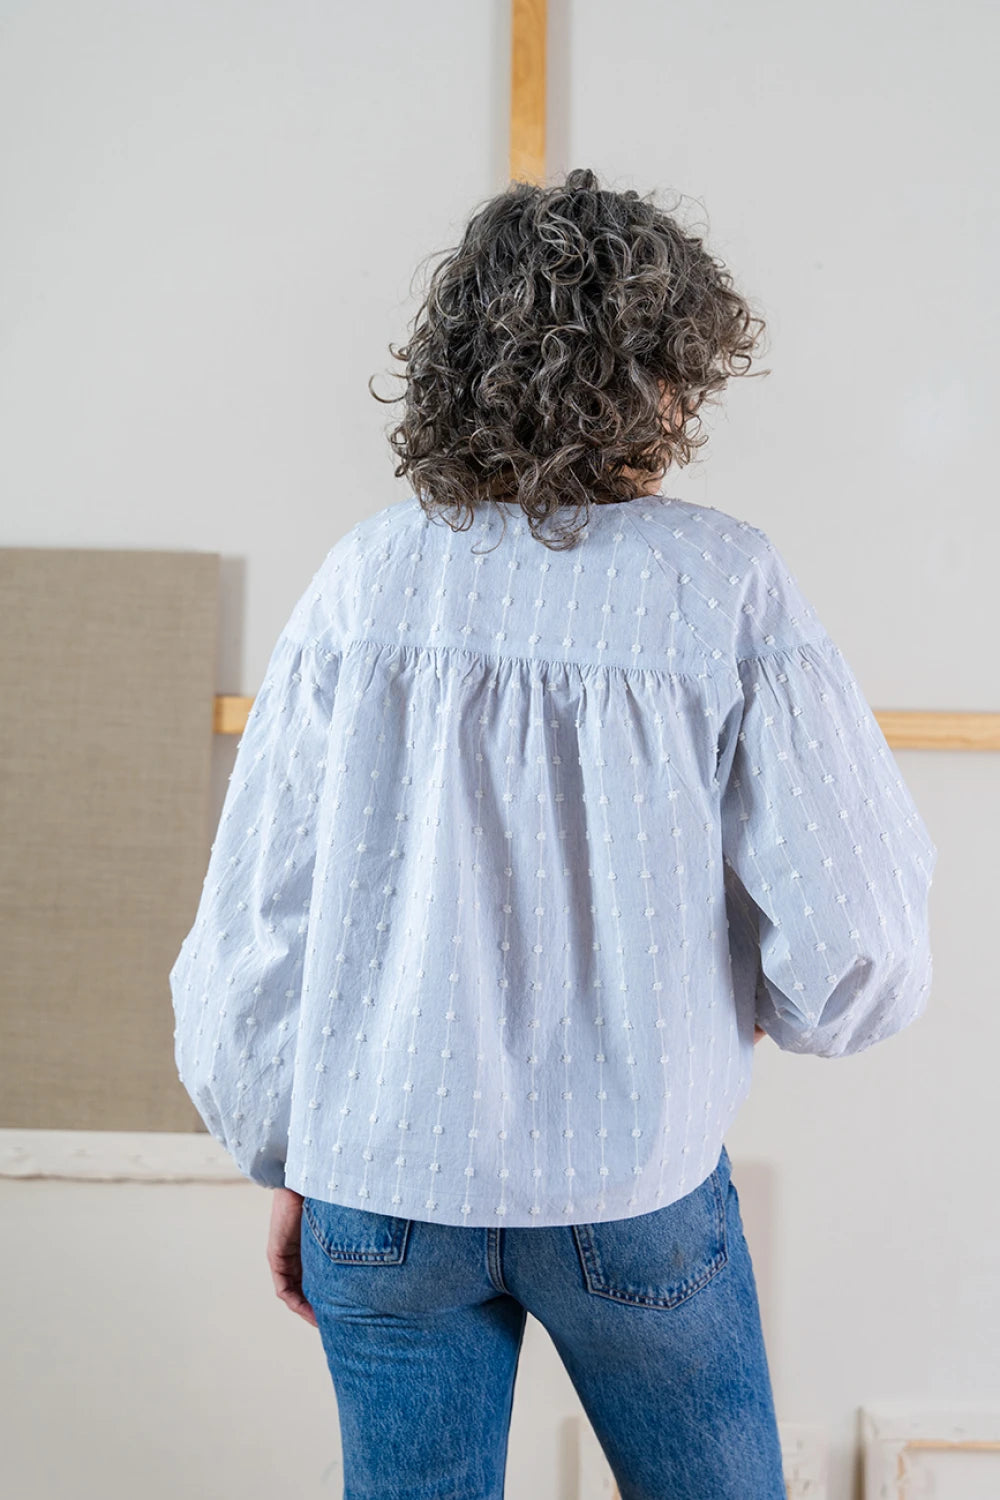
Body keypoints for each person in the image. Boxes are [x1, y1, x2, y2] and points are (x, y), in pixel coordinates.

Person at [170, 166, 937, 1499]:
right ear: (662, 371)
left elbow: (260, 914)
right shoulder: (723, 582)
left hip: (382, 1183)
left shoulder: (364, 577)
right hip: (629, 1182)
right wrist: (775, 1003)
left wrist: (288, 1149)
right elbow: (856, 928)